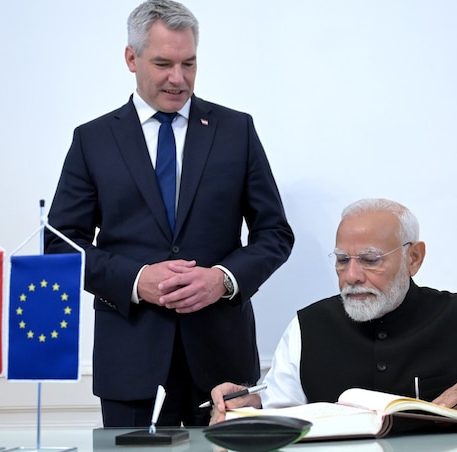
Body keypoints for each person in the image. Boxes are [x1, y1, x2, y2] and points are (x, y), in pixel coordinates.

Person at [45, 0, 294, 427]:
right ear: (131, 58)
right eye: (163, 63)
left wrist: (223, 279)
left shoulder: (237, 131)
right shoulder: (93, 140)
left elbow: (274, 233)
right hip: (130, 359)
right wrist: (137, 280)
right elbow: (60, 246)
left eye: (189, 64)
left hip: (221, 361)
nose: (178, 79)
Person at [210, 198, 457, 427]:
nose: (352, 276)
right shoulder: (305, 327)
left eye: (370, 260)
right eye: (342, 260)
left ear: (414, 258)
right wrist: (246, 411)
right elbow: (282, 416)